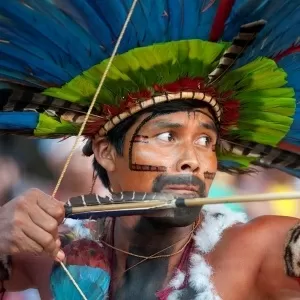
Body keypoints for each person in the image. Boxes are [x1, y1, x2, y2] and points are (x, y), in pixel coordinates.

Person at [1, 1, 300, 299]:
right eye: (168, 136)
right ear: (106, 152)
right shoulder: (52, 251)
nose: (192, 161)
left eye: (205, 142)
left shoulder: (255, 252)